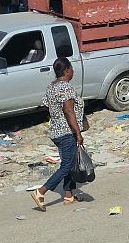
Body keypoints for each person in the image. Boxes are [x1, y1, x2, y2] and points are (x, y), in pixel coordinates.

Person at [30, 58, 90, 210]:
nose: (73, 71)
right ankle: (40, 192)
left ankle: (69, 195)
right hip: (66, 132)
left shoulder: (52, 86)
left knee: (69, 164)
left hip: (56, 131)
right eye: (71, 68)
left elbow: (48, 105)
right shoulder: (65, 87)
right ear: (67, 70)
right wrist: (78, 133)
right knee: (66, 166)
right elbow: (68, 110)